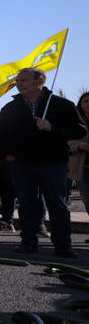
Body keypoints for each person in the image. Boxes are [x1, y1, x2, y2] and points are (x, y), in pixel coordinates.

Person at [0, 67, 84, 257]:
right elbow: (0, 135)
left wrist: (52, 127)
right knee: (26, 204)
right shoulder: (11, 108)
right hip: (21, 164)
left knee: (57, 204)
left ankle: (63, 246)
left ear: (39, 82)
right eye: (17, 81)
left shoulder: (60, 105)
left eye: (23, 80)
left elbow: (79, 131)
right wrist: (7, 155)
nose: (19, 84)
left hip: (53, 163)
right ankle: (28, 242)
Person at [70, 92, 89, 235]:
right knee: (87, 199)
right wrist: (80, 146)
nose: (88, 104)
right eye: (86, 101)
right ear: (80, 104)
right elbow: (67, 142)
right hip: (83, 167)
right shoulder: (75, 122)